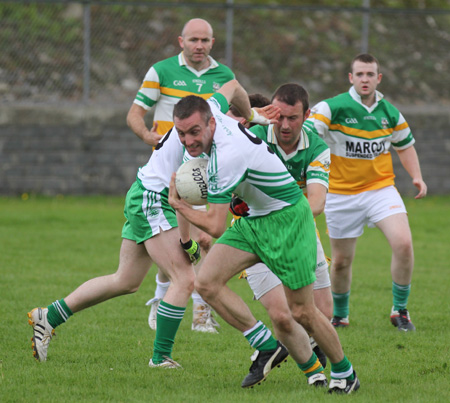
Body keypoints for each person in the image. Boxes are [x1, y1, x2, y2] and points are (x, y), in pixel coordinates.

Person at [27, 79, 273, 369]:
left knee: (126, 280)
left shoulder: (212, 113)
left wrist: (254, 116)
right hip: (153, 198)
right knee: (185, 278)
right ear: (233, 118)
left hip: (145, 192)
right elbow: (179, 193)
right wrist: (187, 240)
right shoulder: (205, 133)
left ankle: (49, 316)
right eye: (243, 122)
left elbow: (232, 86)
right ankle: (160, 358)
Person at [168, 92, 360, 394]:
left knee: (303, 311)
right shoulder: (214, 108)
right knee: (206, 283)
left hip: (287, 221)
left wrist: (179, 205)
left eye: (194, 132)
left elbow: (216, 226)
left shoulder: (226, 157)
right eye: (181, 133)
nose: (189, 141)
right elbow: (232, 87)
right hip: (253, 221)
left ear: (210, 123)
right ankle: (266, 345)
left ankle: (345, 373)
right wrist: (255, 115)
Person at [126, 18, 235, 333]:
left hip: (205, 170)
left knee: (203, 242)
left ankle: (200, 313)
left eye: (204, 40)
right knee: (182, 247)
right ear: (181, 41)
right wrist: (151, 138)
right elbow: (135, 113)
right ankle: (164, 297)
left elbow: (226, 122)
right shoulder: (161, 71)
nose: (198, 46)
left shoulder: (224, 76)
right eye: (193, 40)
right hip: (170, 175)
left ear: (212, 43)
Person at [307, 53, 427, 332]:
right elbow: (308, 131)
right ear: (351, 77)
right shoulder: (332, 107)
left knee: (404, 244)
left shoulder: (390, 112)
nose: (364, 79)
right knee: (340, 262)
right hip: (339, 194)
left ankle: (400, 311)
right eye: (359, 74)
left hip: (380, 189)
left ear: (378, 78)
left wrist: (417, 177)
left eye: (369, 74)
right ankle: (340, 315)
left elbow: (405, 145)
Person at [227, 87, 333, 368]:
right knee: (282, 314)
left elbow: (316, 204)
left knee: (323, 312)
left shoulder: (317, 149)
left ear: (307, 115)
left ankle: (304, 349)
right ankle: (277, 353)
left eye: (293, 118)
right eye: (280, 117)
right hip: (255, 233)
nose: (285, 125)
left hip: (298, 230)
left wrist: (279, 211)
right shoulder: (254, 137)